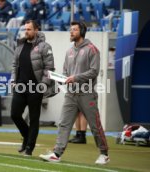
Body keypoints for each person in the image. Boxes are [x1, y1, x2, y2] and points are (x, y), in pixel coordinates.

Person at [39, 21, 110, 165]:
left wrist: (75, 78)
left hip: (87, 94)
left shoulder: (92, 49)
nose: (71, 32)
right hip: (71, 94)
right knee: (64, 124)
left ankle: (104, 154)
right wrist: (62, 79)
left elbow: (94, 71)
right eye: (70, 30)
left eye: (74, 30)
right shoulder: (69, 51)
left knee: (95, 125)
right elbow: (66, 71)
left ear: (81, 32)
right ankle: (57, 153)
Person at [10, 20, 54, 156]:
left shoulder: (45, 46)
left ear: (36, 30)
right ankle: (27, 137)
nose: (26, 31)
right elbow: (14, 65)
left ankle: (29, 147)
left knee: (34, 119)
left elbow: (49, 68)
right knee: (15, 114)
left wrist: (44, 84)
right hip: (20, 87)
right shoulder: (20, 45)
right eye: (25, 29)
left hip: (36, 88)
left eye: (29, 29)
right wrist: (13, 80)